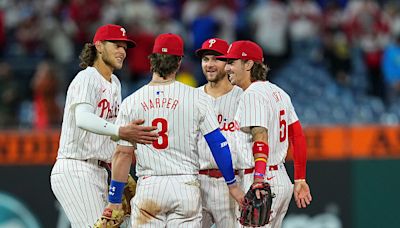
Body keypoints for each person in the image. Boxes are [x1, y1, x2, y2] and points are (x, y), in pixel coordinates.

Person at [100, 33, 245, 227]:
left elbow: (122, 154)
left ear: (152, 61)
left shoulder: (132, 102)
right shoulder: (196, 98)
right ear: (178, 63)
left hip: (150, 186)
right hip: (185, 186)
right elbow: (218, 144)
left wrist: (114, 199)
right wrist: (232, 184)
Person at [50, 24, 159, 228]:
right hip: (76, 166)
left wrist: (121, 171)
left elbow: (109, 131)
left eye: (124, 47)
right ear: (99, 46)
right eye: (116, 45)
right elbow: (83, 118)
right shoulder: (87, 77)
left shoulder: (115, 83)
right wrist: (120, 130)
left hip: (99, 170)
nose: (122, 51)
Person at [217, 40, 312, 227]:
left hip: (261, 178)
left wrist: (258, 179)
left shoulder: (252, 94)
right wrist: (300, 178)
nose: (227, 68)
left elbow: (260, 136)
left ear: (248, 64)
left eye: (231, 62)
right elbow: (297, 136)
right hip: (281, 178)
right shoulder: (279, 92)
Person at [195, 38, 253, 228]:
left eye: (215, 59)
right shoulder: (192, 98)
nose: (209, 65)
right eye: (205, 59)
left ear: (228, 64)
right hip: (196, 181)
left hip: (232, 183)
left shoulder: (243, 97)